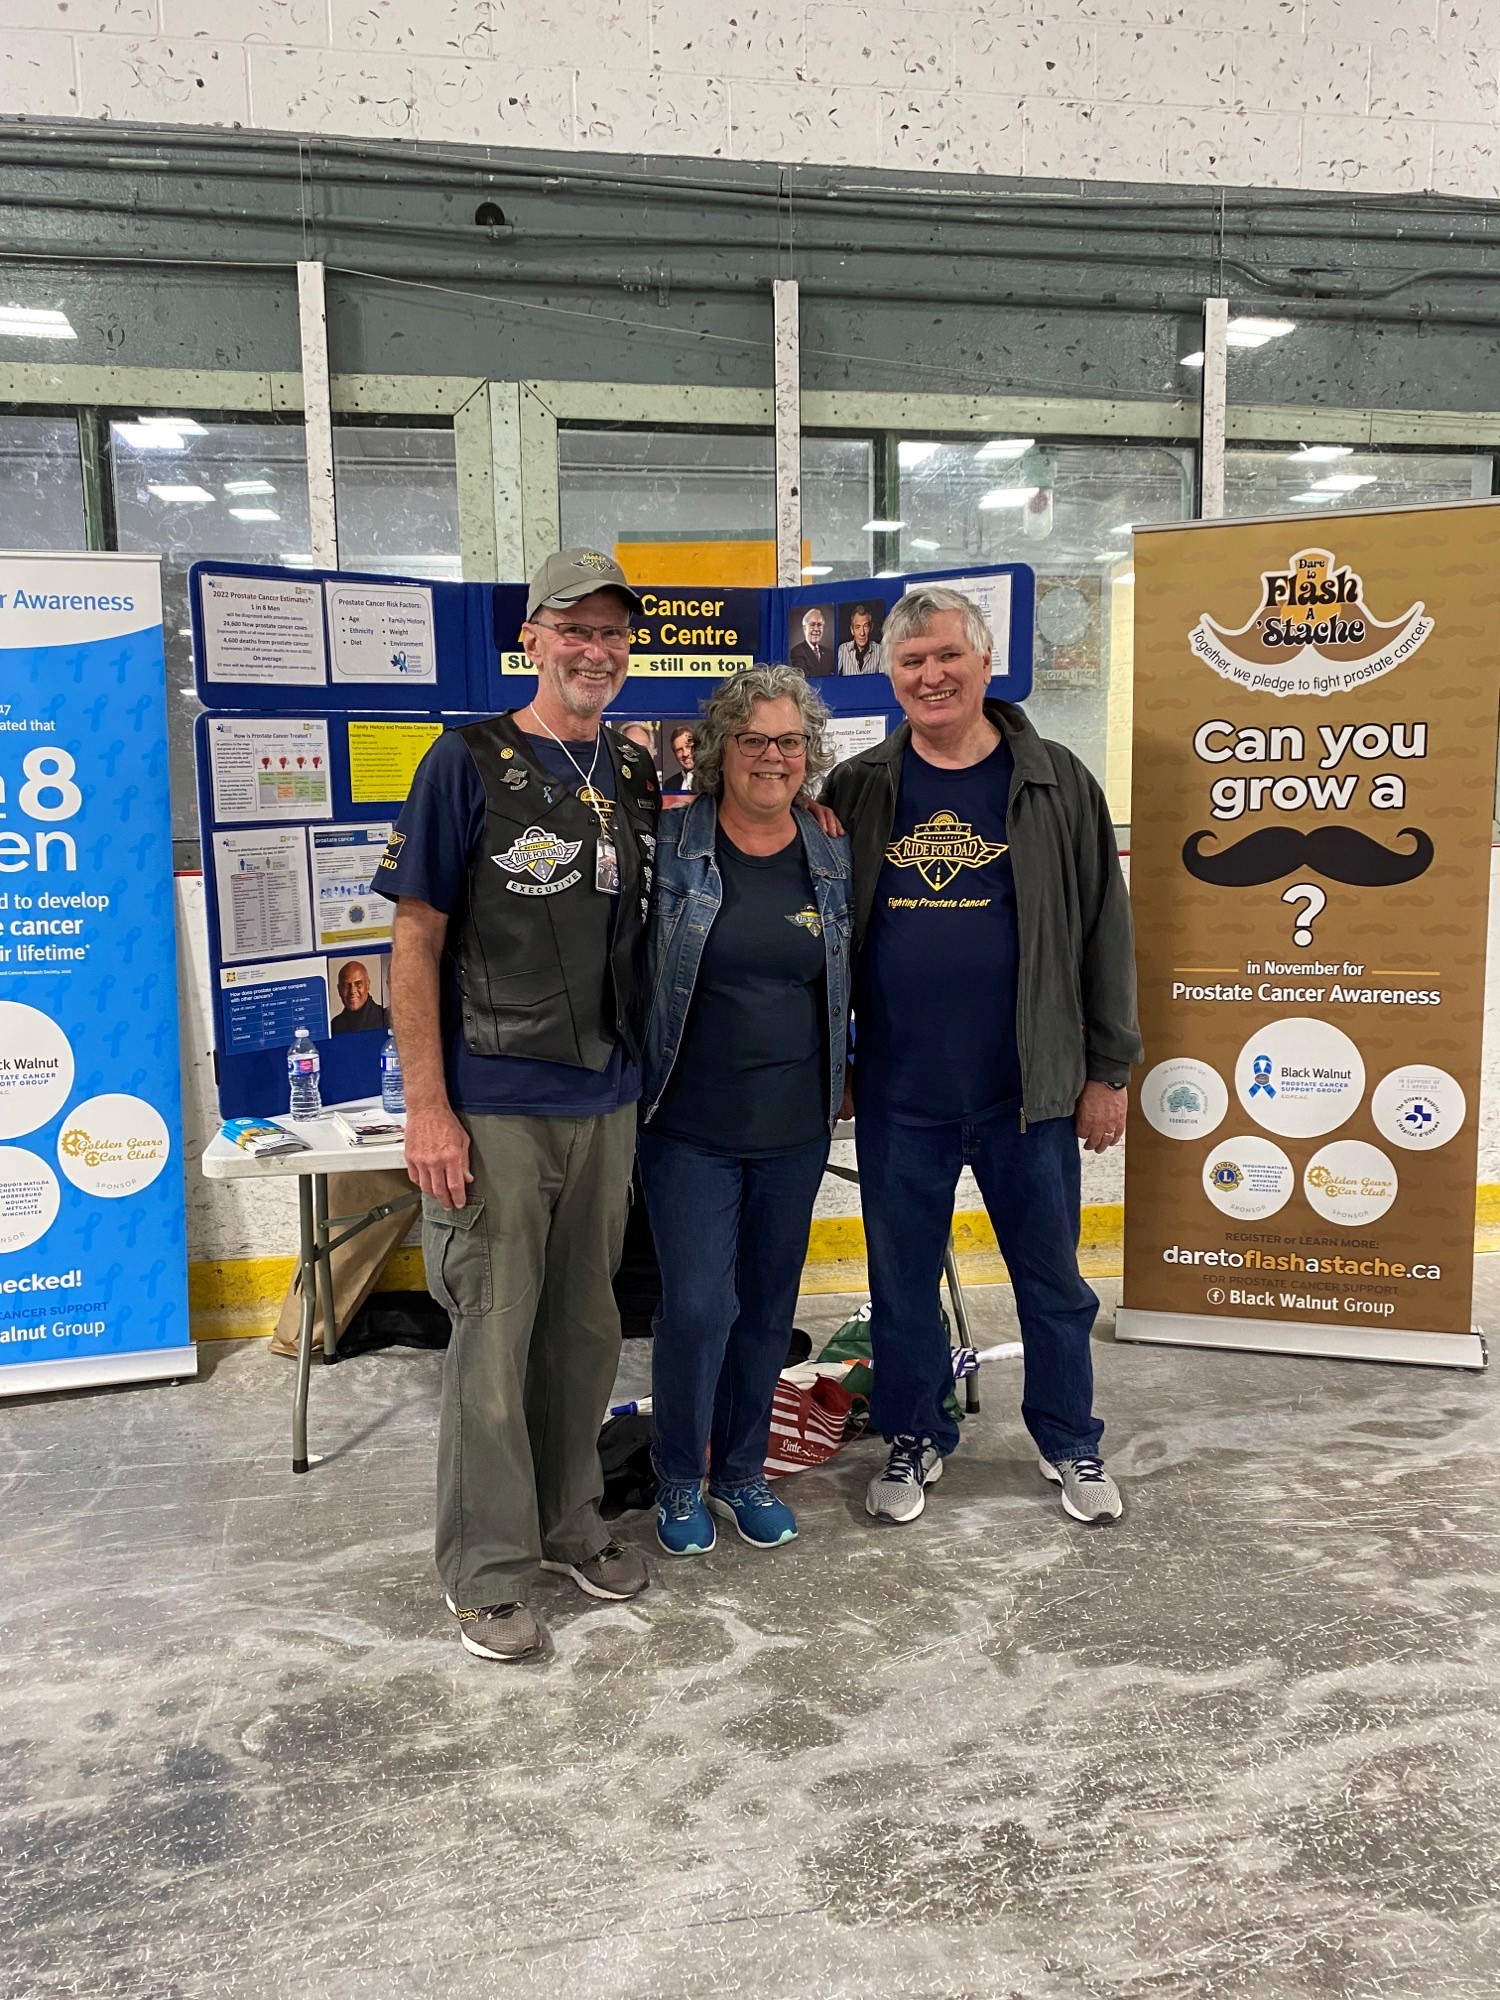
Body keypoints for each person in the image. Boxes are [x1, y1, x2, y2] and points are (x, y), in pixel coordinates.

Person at [377, 548, 660, 1664]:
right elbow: (414, 938)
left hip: (607, 1095)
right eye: (573, 629)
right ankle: (486, 1570)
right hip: (493, 1098)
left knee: (586, 1330)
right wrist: (428, 1108)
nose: (595, 650)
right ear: (531, 640)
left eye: (613, 633)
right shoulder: (468, 762)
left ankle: (565, 1524)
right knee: (493, 1339)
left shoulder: (632, 772)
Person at [820, 585, 1141, 1530]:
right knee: (900, 1285)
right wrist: (831, 1060)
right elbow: (826, 936)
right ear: (892, 678)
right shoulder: (861, 787)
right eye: (912, 663)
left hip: (1029, 1095)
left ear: (985, 664)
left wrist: (1106, 1071)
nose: (931, 676)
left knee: (1052, 1284)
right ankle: (916, 1434)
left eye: (948, 657)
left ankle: (1069, 1441)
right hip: (899, 1093)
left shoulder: (1057, 781)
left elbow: (1103, 935)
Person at [639, 666, 852, 1558]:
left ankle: (742, 1473)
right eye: (755, 741)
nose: (772, 758)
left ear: (810, 755)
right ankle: (679, 1478)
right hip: (687, 1125)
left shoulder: (830, 850)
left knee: (768, 1310)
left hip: (793, 1125)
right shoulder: (669, 845)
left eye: (790, 742)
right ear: (721, 750)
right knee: (696, 1309)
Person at [330, 959, 388, 1034]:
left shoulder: (387, 1018)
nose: (352, 991)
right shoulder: (335, 1026)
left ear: (367, 985)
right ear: (339, 989)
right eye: (346, 986)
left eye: (358, 984)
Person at [837, 604, 883, 677]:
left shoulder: (880, 651)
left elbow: (882, 682)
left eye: (865, 626)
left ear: (871, 628)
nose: (862, 633)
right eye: (857, 627)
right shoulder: (842, 650)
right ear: (852, 630)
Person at [789, 607, 834, 678]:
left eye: (819, 625)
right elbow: (804, 677)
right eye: (812, 625)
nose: (816, 629)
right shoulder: (797, 651)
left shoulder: (829, 653)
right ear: (804, 628)